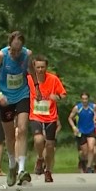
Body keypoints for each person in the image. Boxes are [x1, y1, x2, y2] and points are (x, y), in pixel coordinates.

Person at [0, 31, 38, 188]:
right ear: (9, 46)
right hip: (6, 98)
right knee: (9, 135)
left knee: (22, 129)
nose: (16, 53)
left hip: (22, 94)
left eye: (18, 50)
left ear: (22, 47)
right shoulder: (2, 56)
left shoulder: (27, 54)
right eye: (13, 50)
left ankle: (22, 169)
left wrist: (36, 87)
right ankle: (12, 165)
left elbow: (32, 71)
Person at [26, 55, 67, 183]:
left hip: (51, 117)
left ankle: (48, 171)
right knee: (38, 139)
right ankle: (39, 158)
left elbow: (63, 94)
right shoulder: (29, 79)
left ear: (46, 67)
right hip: (35, 115)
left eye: (42, 67)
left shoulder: (53, 79)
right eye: (37, 67)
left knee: (50, 145)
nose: (40, 70)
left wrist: (58, 97)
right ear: (34, 67)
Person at [67, 92, 96, 173]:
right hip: (81, 131)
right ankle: (83, 162)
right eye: (83, 99)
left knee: (91, 148)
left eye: (86, 99)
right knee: (84, 152)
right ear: (81, 99)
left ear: (88, 99)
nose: (84, 101)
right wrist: (74, 127)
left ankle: (89, 167)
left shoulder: (93, 106)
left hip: (91, 129)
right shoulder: (77, 108)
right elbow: (70, 118)